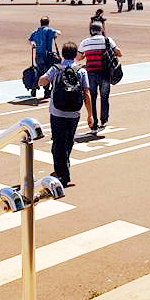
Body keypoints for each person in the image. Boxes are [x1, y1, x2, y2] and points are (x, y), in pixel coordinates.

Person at [38, 41, 92, 187]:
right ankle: (62, 168)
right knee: (67, 142)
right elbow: (86, 92)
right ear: (76, 55)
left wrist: (39, 79)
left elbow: (43, 81)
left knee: (58, 143)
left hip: (57, 112)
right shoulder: (81, 71)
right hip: (74, 113)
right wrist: (90, 114)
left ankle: (63, 175)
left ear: (62, 54)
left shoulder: (55, 69)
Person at [78, 21, 122, 134]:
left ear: (91, 31)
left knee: (92, 99)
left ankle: (94, 123)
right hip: (105, 73)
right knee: (104, 97)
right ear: (101, 30)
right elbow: (119, 53)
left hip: (90, 74)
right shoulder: (107, 40)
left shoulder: (85, 42)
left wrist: (86, 54)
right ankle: (104, 119)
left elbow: (78, 58)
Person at [28, 16, 61, 98]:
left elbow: (30, 40)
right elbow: (58, 33)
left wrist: (33, 43)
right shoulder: (49, 30)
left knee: (39, 71)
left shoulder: (36, 31)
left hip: (38, 55)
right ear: (48, 23)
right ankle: (46, 92)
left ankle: (33, 88)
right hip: (46, 55)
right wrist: (56, 33)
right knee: (47, 73)